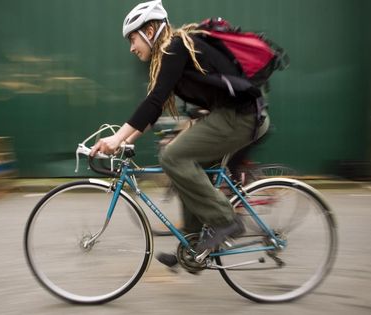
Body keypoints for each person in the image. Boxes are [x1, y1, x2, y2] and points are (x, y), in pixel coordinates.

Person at [90, 0, 270, 267]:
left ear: (149, 31)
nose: (131, 47)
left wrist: (117, 137)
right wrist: (123, 141)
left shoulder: (176, 47)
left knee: (173, 157)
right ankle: (196, 245)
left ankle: (226, 219)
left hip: (240, 118)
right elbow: (153, 111)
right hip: (232, 116)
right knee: (186, 165)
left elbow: (153, 101)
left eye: (133, 39)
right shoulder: (173, 53)